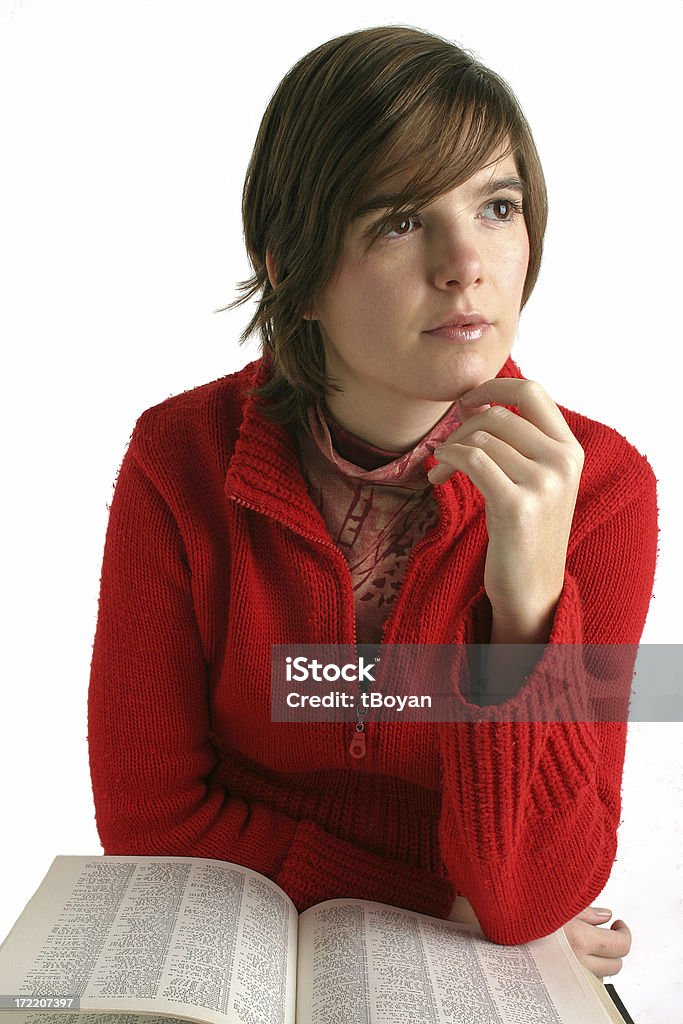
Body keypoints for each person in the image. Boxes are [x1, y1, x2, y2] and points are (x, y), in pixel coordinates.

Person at [87, 25, 658, 980]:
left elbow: (528, 895)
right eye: (399, 219)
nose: (464, 262)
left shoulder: (598, 493)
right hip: (237, 957)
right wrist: (436, 901)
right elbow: (151, 820)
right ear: (290, 269)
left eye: (497, 206)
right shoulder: (177, 459)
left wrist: (527, 608)